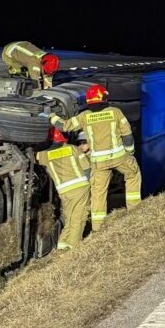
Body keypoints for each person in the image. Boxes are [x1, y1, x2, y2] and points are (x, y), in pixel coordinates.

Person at [50, 84, 140, 230]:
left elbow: (64, 126)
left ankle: (98, 227)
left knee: (98, 193)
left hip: (98, 162)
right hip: (118, 157)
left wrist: (51, 117)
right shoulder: (115, 112)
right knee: (133, 174)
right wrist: (130, 152)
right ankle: (135, 210)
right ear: (103, 97)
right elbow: (127, 135)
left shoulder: (84, 116)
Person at [35, 129, 91, 250]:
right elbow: (87, 169)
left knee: (69, 218)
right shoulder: (72, 149)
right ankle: (73, 248)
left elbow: (34, 158)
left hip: (63, 191)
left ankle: (62, 245)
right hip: (80, 188)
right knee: (78, 217)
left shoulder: (43, 155)